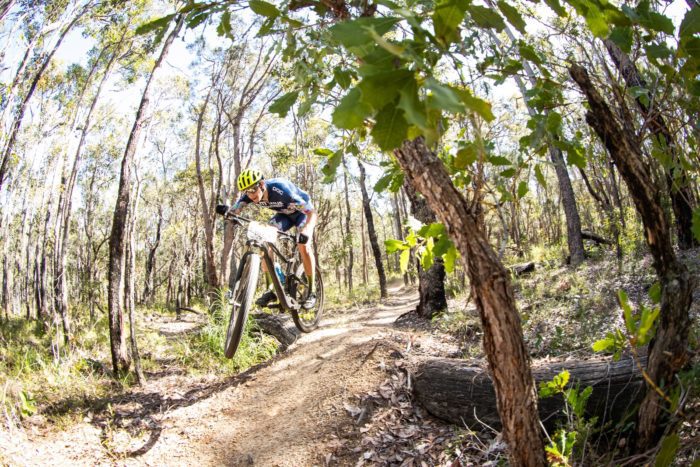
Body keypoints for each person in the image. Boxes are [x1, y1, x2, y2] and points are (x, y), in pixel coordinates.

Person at [227, 168, 317, 309]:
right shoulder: (251, 194)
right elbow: (236, 208)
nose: (250, 194)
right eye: (246, 191)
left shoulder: (281, 190)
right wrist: (229, 213)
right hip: (284, 216)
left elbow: (311, 212)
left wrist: (307, 230)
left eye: (252, 189)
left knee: (303, 246)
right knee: (264, 239)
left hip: (302, 215)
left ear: (262, 184)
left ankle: (312, 291)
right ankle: (270, 289)